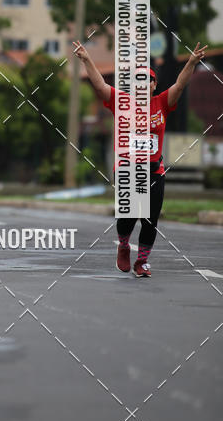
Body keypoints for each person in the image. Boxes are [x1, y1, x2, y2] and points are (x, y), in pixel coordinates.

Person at [73, 40, 207, 278]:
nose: (143, 84)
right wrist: (86, 59)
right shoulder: (122, 102)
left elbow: (180, 84)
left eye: (148, 80)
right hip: (127, 169)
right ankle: (123, 245)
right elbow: (100, 85)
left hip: (154, 171)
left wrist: (191, 62)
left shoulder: (162, 103)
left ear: (154, 85)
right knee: (128, 217)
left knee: (149, 220)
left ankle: (142, 262)